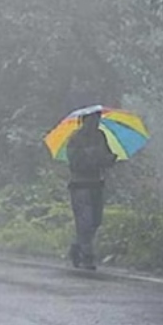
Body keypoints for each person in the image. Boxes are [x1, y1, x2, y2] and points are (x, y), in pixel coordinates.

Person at [65, 109, 116, 270]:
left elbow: (106, 155)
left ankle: (77, 246)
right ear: (84, 120)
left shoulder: (100, 136)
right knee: (85, 221)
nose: (95, 123)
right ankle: (87, 255)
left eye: (97, 120)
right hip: (80, 185)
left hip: (96, 183)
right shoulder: (75, 138)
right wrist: (91, 158)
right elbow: (74, 162)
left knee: (96, 221)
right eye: (92, 120)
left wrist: (109, 159)